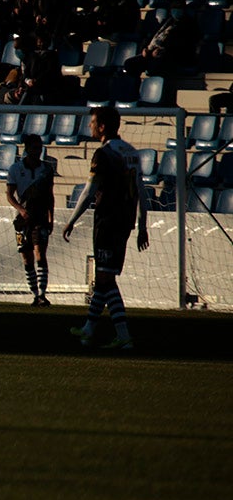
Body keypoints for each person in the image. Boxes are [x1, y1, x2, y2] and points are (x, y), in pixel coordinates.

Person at [63, 106, 150, 350]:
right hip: (125, 222)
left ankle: (123, 334)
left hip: (107, 221)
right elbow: (141, 191)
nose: (89, 126)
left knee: (106, 280)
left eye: (92, 122)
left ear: (102, 126)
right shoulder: (132, 152)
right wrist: (142, 225)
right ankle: (89, 329)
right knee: (104, 279)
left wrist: (72, 219)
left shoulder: (104, 154)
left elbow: (90, 191)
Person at [6, 133, 55, 307]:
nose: (37, 151)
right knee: (26, 258)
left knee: (40, 253)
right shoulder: (15, 169)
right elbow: (9, 195)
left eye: (40, 148)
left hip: (40, 217)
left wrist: (51, 218)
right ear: (26, 149)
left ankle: (42, 294)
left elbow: (50, 196)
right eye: (34, 148)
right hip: (22, 219)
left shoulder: (47, 170)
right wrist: (20, 209)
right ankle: (35, 294)